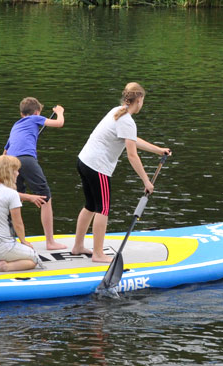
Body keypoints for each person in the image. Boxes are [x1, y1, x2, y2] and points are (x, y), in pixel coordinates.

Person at [71, 82, 172, 263]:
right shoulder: (127, 120)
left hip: (84, 161)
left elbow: (131, 139)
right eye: (143, 100)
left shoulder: (117, 111)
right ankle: (98, 254)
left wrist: (158, 150)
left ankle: (78, 246)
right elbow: (132, 155)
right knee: (103, 209)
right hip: (97, 167)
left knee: (90, 206)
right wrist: (146, 181)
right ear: (139, 100)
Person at [3, 97, 67, 251]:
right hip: (26, 159)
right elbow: (59, 123)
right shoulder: (34, 118)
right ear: (37, 112)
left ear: (21, 113)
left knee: (14, 198)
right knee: (45, 197)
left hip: (9, 162)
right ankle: (50, 242)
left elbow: (4, 152)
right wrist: (60, 112)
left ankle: (8, 238)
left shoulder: (15, 126)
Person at [0, 154, 49, 273]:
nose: (18, 173)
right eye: (15, 170)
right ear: (8, 172)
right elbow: (18, 223)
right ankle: (4, 267)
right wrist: (24, 241)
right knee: (34, 259)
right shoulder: (11, 194)